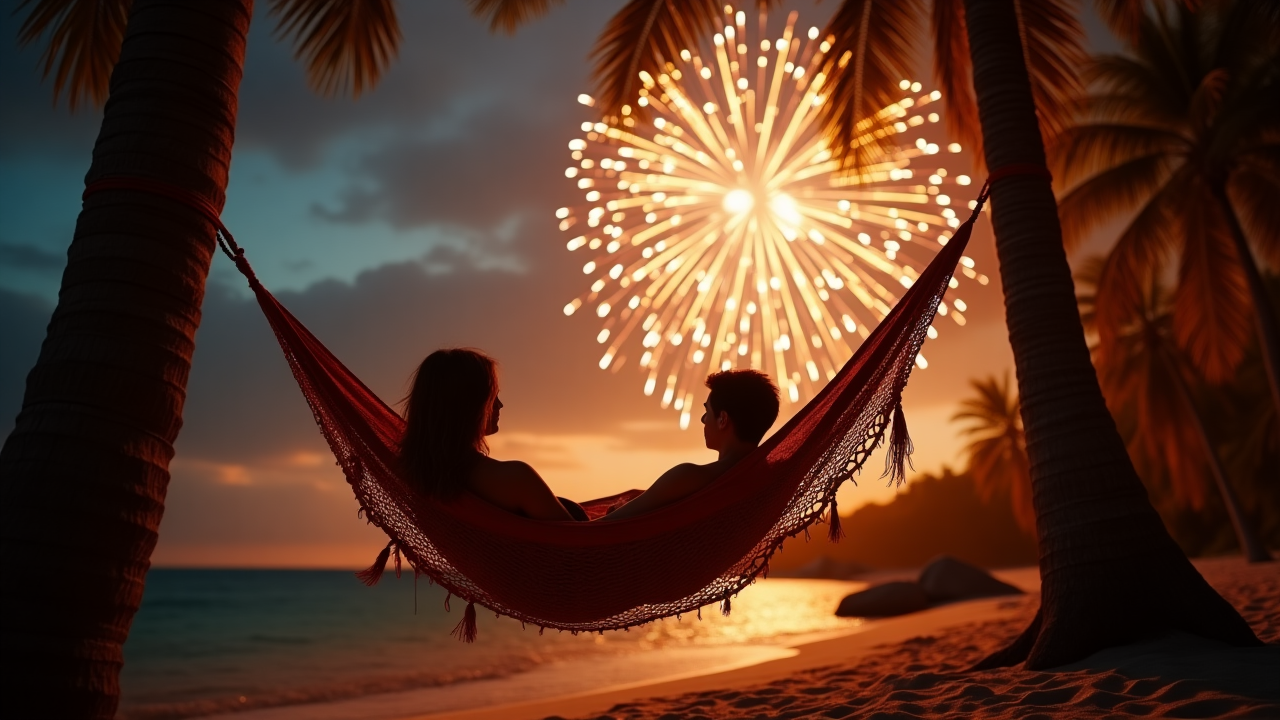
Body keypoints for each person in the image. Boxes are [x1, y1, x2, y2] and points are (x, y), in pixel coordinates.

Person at [399, 349, 579, 521]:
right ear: (468, 406)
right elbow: (575, 541)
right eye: (492, 397)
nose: (499, 405)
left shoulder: (412, 477)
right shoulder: (516, 478)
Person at [601, 369, 780, 521]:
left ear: (722, 419)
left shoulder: (688, 477)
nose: (703, 419)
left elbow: (602, 528)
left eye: (707, 411)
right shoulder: (768, 485)